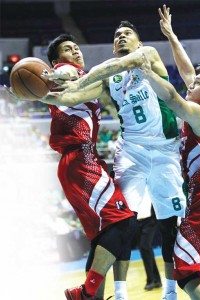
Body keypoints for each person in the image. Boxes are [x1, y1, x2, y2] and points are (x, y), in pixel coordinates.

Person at [47, 20, 187, 300]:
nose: (122, 37)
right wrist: (42, 93)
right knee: (123, 222)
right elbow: (77, 93)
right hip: (131, 151)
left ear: (138, 42)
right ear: (113, 46)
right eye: (117, 35)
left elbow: (97, 74)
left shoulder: (147, 55)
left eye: (127, 34)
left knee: (169, 224)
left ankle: (170, 292)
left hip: (165, 150)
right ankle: (120, 293)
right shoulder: (109, 78)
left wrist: (77, 78)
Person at [7, 33, 141, 300]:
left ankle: (91, 297)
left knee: (101, 235)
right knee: (124, 221)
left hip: (75, 162)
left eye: (77, 47)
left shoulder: (71, 78)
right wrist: (62, 75)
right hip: (83, 159)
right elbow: (67, 75)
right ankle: (88, 290)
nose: (76, 51)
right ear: (56, 60)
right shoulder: (65, 71)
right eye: (69, 49)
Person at [140, 5, 200, 300]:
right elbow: (188, 72)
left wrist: (148, 73)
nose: (191, 83)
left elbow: (173, 97)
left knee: (185, 271)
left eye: (198, 84)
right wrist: (172, 36)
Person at [136, 188, 162, 291]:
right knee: (146, 249)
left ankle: (150, 280)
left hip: (150, 220)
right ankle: (157, 280)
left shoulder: (148, 181)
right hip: (137, 221)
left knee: (144, 247)